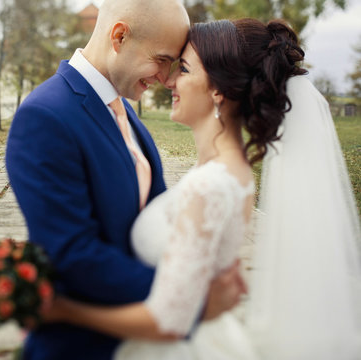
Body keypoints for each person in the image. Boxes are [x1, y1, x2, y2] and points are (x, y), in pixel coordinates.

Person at [43, 18, 361, 360]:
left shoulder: (210, 186)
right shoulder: (227, 172)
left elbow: (167, 323)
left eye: (184, 69)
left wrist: (63, 312)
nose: (169, 81)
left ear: (217, 89)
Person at [5, 1, 247, 359]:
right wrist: (192, 299)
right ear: (119, 36)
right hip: (82, 347)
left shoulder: (128, 117)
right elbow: (72, 255)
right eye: (162, 59)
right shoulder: (45, 116)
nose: (167, 79)